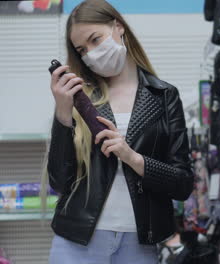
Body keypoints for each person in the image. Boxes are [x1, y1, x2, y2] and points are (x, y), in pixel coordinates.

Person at [43, 0, 193, 263]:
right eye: (82, 49)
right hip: (77, 242)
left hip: (138, 244)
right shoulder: (80, 99)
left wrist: (132, 157)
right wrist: (63, 113)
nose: (91, 53)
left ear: (118, 27)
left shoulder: (163, 96)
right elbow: (60, 182)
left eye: (95, 39)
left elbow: (182, 184)